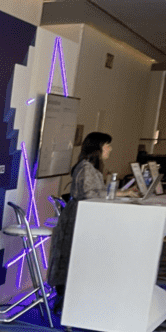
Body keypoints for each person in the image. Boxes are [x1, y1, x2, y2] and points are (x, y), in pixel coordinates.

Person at [47, 131, 112, 312]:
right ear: (98, 148)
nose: (110, 149)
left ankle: (71, 302)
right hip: (78, 219)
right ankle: (66, 303)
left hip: (83, 218)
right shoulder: (85, 168)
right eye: (107, 145)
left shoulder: (90, 168)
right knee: (72, 259)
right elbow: (89, 196)